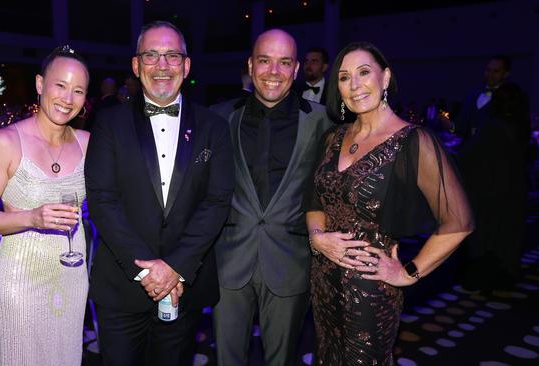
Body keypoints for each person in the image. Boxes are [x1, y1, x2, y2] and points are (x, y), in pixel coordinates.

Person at [305, 41, 473, 365]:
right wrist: (317, 238)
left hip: (370, 291)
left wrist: (408, 273)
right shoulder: (333, 138)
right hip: (322, 280)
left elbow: (459, 222)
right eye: (344, 77)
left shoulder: (413, 141)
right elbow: (314, 201)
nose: (354, 85)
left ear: (385, 78)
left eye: (364, 72)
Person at [85, 21, 233, 366]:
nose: (162, 65)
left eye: (172, 56)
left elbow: (216, 202)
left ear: (186, 65)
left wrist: (175, 268)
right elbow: (103, 199)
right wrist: (149, 272)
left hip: (185, 286)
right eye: (151, 55)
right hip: (123, 286)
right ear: (136, 66)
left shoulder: (214, 127)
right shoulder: (109, 122)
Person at [211, 29, 333, 366]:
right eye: (264, 61)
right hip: (229, 262)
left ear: (295, 70)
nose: (273, 72)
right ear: (251, 65)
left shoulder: (324, 121)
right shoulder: (219, 118)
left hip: (290, 262)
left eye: (284, 63)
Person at [0, 45, 90, 366]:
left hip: (71, 278)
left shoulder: (89, 144)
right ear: (40, 85)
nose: (68, 98)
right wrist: (32, 217)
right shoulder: (5, 142)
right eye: (60, 86)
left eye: (78, 90)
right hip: (20, 281)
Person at [458, 82, 531, 291]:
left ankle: (483, 278)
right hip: (512, 193)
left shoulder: (493, 127)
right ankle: (500, 277)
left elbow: (467, 160)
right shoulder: (519, 126)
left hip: (489, 193)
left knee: (486, 239)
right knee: (505, 239)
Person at [448, 55, 511, 141]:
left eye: (496, 71)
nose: (490, 74)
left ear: (506, 74)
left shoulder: (508, 98)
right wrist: (451, 126)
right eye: (488, 70)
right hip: (468, 150)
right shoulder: (472, 95)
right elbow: (460, 127)